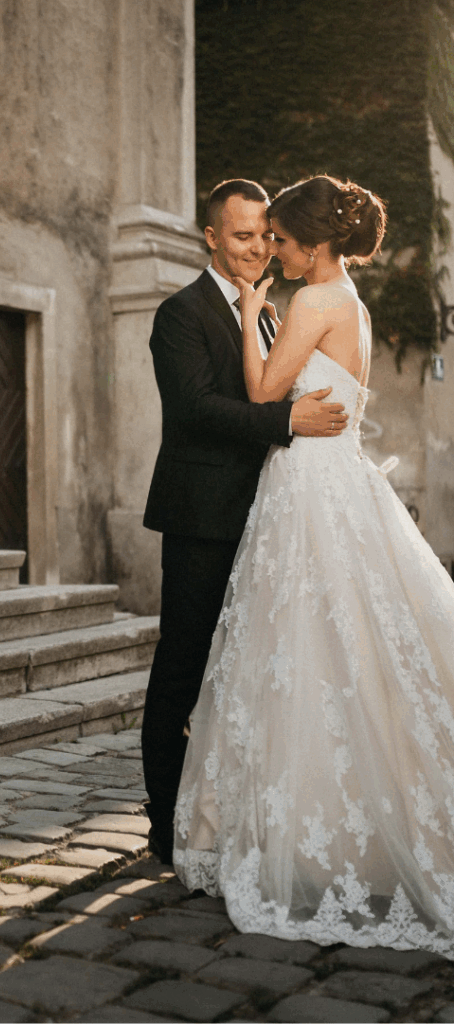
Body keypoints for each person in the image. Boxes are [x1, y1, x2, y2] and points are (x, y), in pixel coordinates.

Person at [174, 174, 454, 958]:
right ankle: (349, 825)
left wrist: (253, 316)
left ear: (317, 244)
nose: (276, 252)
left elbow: (265, 388)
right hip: (342, 481)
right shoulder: (354, 303)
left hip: (305, 490)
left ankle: (304, 835)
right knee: (353, 649)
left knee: (299, 647)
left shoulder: (307, 301)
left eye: (286, 242)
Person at [141, 179, 348, 863]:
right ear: (210, 238)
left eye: (265, 235)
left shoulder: (267, 312)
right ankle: (163, 826)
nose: (258, 247)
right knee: (184, 669)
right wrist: (288, 419)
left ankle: (223, 818)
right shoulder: (180, 313)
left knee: (242, 675)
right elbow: (196, 408)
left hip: (265, 522)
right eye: (241, 236)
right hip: (201, 517)